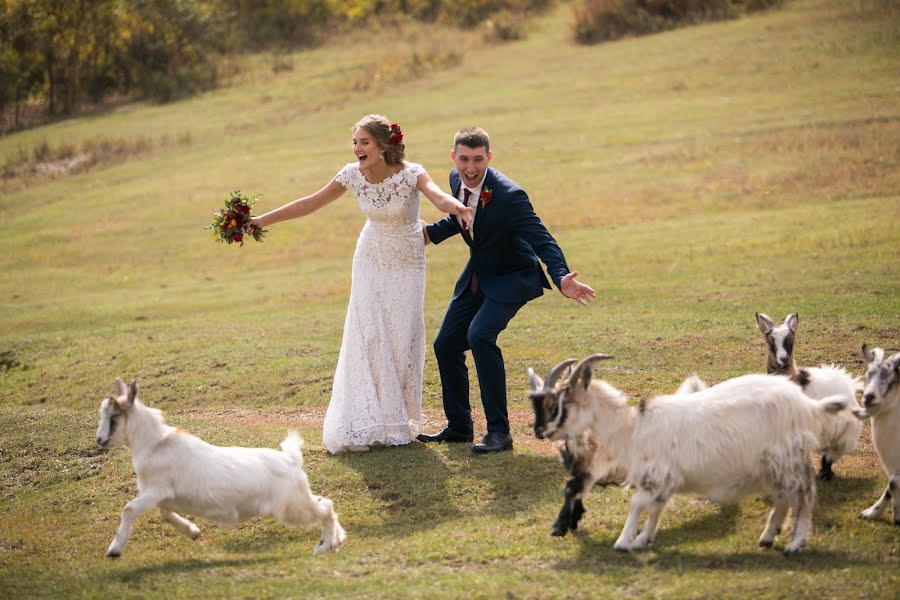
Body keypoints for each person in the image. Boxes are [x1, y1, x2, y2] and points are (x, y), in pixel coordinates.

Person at [250, 115, 473, 454]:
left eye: (364, 142)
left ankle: (394, 420)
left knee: (401, 336)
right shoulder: (351, 175)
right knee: (368, 334)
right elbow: (310, 202)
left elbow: (437, 196)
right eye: (355, 142)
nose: (357, 148)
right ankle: (363, 420)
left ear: (382, 146)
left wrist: (458, 207)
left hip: (407, 261)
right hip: (370, 257)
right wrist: (262, 219)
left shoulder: (412, 173)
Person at [417, 127, 595, 454]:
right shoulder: (456, 180)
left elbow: (542, 239)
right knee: (445, 345)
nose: (470, 168)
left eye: (478, 160)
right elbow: (465, 216)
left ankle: (499, 433)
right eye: (464, 159)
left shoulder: (510, 196)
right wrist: (430, 234)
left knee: (480, 336)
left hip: (513, 277)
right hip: (478, 274)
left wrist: (561, 277)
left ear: (489, 157)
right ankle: (459, 426)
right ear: (453, 157)